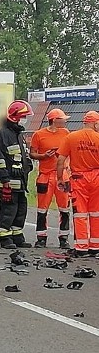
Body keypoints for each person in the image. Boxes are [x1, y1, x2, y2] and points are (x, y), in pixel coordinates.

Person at [56, 110, 99, 257]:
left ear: (84, 122)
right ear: (96, 123)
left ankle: (81, 247)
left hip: (78, 179)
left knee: (80, 214)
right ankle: (95, 246)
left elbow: (60, 160)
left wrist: (60, 178)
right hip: (97, 178)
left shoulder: (71, 137)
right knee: (96, 213)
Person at [0, 100, 34, 249]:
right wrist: (4, 178)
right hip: (9, 181)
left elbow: (23, 154)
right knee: (8, 209)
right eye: (23, 116)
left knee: (21, 209)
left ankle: (17, 236)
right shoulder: (3, 134)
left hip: (21, 181)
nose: (25, 120)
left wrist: (28, 165)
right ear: (15, 117)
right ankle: (5, 238)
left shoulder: (18, 134)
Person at [29, 108, 71, 249]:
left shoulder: (66, 133)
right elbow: (32, 154)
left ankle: (63, 238)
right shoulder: (39, 135)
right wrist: (44, 156)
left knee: (64, 208)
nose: (65, 121)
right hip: (45, 176)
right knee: (42, 209)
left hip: (63, 175)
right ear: (54, 120)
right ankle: (41, 238)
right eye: (63, 119)